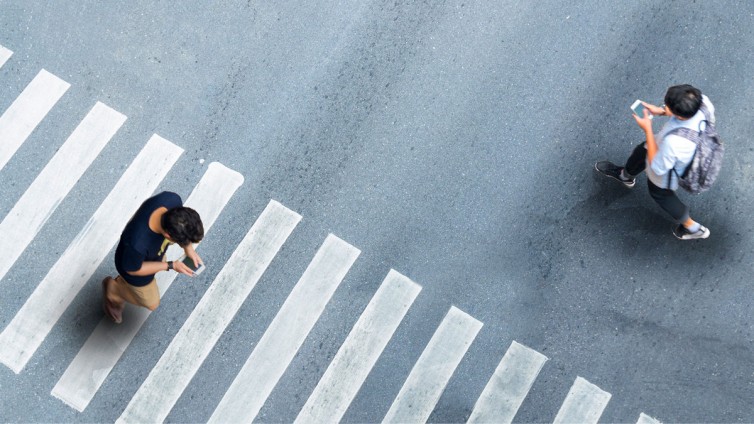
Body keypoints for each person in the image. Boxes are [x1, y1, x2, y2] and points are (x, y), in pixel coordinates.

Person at [595, 84, 715, 240]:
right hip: (686, 149)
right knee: (641, 151)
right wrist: (662, 111)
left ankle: (692, 228)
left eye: (668, 106)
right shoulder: (704, 103)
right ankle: (625, 176)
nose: (665, 106)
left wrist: (648, 129)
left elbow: (657, 165)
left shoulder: (674, 143)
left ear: (679, 116)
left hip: (670, 164)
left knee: (661, 194)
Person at [102, 191, 204, 323]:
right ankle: (114, 290)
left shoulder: (172, 200)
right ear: (167, 235)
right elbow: (133, 269)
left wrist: (188, 249)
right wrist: (171, 265)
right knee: (152, 304)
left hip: (149, 254)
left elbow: (183, 226)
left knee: (160, 259)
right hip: (133, 267)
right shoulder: (138, 244)